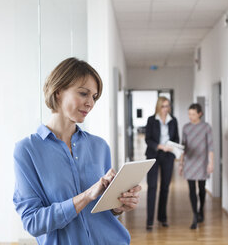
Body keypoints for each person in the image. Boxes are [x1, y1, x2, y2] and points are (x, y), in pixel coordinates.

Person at [13, 57, 141, 244]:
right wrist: (86, 196)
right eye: (83, 93)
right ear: (58, 91)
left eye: (94, 97)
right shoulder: (27, 150)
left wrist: (119, 206)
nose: (90, 103)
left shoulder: (100, 147)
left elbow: (105, 211)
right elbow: (33, 222)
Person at [145, 96, 179, 230]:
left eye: (168, 106)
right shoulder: (151, 120)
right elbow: (148, 139)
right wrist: (160, 146)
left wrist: (172, 147)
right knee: (152, 187)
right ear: (158, 107)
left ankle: (162, 218)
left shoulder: (173, 120)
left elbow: (176, 138)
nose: (166, 109)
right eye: (164, 106)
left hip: (168, 156)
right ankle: (149, 221)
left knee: (165, 187)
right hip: (153, 154)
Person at [178, 103, 214, 229]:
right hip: (189, 161)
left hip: (202, 161)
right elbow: (183, 147)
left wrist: (211, 162)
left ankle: (201, 210)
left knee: (202, 189)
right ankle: (194, 215)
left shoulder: (206, 127)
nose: (190, 116)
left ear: (200, 114)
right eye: (189, 114)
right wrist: (181, 164)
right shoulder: (186, 128)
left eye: (193, 114)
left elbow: (211, 147)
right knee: (192, 189)